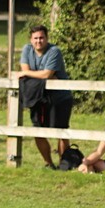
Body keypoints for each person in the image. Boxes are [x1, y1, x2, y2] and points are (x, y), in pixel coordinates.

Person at [19, 25, 73, 168]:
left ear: (47, 38)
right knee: (37, 130)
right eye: (35, 38)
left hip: (60, 97)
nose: (38, 41)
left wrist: (29, 74)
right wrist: (38, 75)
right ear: (31, 40)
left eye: (41, 37)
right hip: (37, 96)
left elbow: (46, 74)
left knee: (61, 131)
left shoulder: (54, 51)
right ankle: (48, 163)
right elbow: (26, 69)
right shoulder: (26, 49)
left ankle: (64, 163)